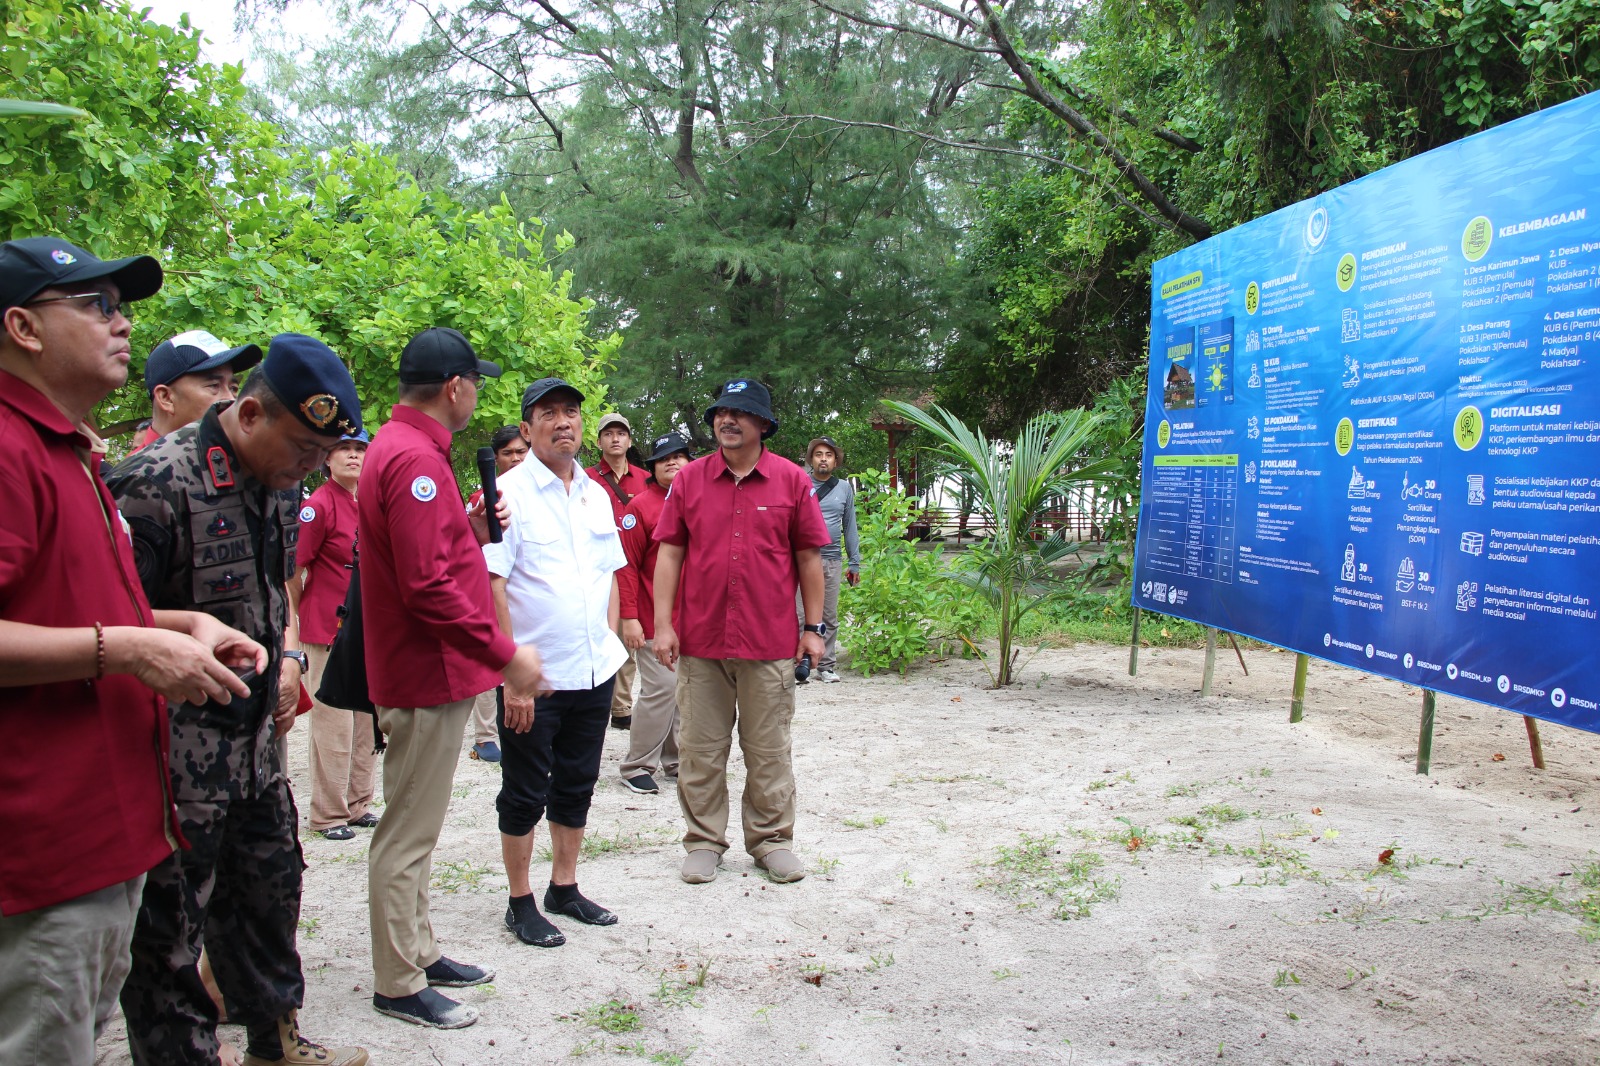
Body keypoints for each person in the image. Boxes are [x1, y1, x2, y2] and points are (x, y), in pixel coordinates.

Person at [0, 236, 266, 1066]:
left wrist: (175, 625)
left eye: (122, 306)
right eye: (97, 305)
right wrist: (127, 649)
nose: (123, 324)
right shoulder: (8, 448)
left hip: (108, 834)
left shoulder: (68, 449)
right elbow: (95, 637)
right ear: (22, 327)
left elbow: (68, 607)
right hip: (44, 848)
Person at [108, 333, 368, 1066]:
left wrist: (287, 654)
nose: (312, 468)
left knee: (268, 899)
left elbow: (276, 591)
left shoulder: (281, 485)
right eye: (305, 450)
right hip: (170, 766)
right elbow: (106, 616)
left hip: (255, 750)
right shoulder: (152, 484)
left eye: (325, 455)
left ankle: (275, 1043)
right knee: (168, 941)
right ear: (249, 414)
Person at [359, 327, 545, 1030]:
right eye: (477, 384)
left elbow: (429, 554)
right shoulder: (416, 462)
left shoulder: (408, 453)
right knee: (406, 833)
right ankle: (398, 981)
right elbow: (427, 587)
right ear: (456, 388)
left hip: (424, 669)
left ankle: (418, 949)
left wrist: (467, 524)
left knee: (418, 828)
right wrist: (504, 652)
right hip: (422, 672)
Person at [651, 378, 830, 885]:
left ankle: (772, 842)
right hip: (701, 642)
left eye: (740, 413)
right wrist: (663, 625)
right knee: (700, 751)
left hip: (768, 642)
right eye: (720, 412)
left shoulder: (792, 480)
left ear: (764, 424)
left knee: (768, 750)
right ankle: (704, 841)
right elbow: (670, 553)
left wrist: (813, 628)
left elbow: (809, 558)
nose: (726, 420)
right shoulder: (688, 481)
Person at [485, 377, 628, 947]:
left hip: (594, 669)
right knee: (523, 789)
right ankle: (520, 900)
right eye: (549, 414)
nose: (563, 422)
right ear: (527, 429)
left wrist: (611, 643)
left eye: (571, 412)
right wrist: (511, 678)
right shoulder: (507, 495)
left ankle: (563, 887)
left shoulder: (595, 493)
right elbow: (493, 587)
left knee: (577, 783)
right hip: (535, 679)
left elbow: (611, 574)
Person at [295, 431, 378, 841]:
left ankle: (358, 803)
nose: (353, 455)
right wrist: (293, 626)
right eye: (344, 448)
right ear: (326, 458)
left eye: (361, 449)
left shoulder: (371, 502)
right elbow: (293, 571)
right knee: (332, 725)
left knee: (367, 721)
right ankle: (327, 814)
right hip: (326, 626)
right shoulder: (318, 505)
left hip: (367, 627)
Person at [615, 431, 693, 794]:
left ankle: (675, 760)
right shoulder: (640, 508)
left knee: (683, 692)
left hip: (691, 619)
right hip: (650, 619)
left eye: (679, 456)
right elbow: (626, 566)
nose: (673, 463)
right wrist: (629, 616)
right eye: (664, 459)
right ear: (653, 468)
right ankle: (636, 765)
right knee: (660, 689)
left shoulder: (700, 501)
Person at [467, 424, 530, 763]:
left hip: (521, 598)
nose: (517, 458)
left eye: (522, 451)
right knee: (489, 662)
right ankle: (486, 735)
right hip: (487, 592)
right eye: (508, 453)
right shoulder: (482, 498)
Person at [585, 411, 648, 731]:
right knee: (605, 635)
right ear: (598, 441)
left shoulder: (645, 478)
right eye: (608, 434)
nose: (615, 439)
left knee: (632, 634)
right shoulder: (586, 478)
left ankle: (621, 705)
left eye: (620, 433)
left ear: (629, 440)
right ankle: (605, 701)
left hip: (637, 565)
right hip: (599, 570)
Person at [796, 436, 860, 683]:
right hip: (801, 559)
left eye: (829, 455)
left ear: (836, 460)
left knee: (828, 616)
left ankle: (826, 666)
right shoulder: (801, 482)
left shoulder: (844, 488)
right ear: (811, 459)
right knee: (799, 615)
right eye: (819, 454)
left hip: (832, 559)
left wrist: (855, 562)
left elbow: (850, 526)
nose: (824, 458)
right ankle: (800, 663)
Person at [131, 330, 262, 451]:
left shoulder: (238, 462)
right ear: (166, 398)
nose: (231, 399)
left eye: (233, 388)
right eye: (214, 386)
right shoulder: (138, 473)